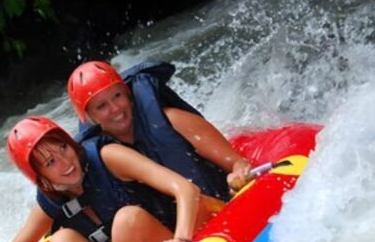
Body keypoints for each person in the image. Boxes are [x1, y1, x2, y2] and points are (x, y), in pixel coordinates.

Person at [0, 116, 219, 242]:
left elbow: (186, 189)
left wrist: (179, 241)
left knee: (127, 219)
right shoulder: (51, 202)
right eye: (50, 163)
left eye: (63, 148)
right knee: (60, 241)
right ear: (41, 178)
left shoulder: (108, 156)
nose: (65, 163)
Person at [67, 60, 253, 230]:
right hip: (169, 234)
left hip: (215, 210)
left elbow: (238, 163)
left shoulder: (172, 121)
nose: (115, 108)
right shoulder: (103, 156)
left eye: (117, 96)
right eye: (101, 106)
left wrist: (238, 174)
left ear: (128, 94)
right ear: (90, 118)